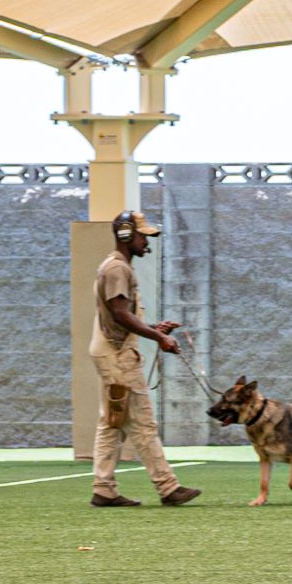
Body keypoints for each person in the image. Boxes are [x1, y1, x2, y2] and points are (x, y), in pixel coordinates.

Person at [88, 210, 200, 508]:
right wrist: (159, 338)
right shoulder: (117, 269)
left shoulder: (116, 266)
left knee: (112, 422)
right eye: (142, 236)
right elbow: (120, 314)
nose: (146, 241)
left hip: (110, 349)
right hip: (117, 354)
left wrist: (153, 328)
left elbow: (120, 316)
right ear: (126, 235)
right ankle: (167, 488)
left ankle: (104, 489)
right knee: (143, 423)